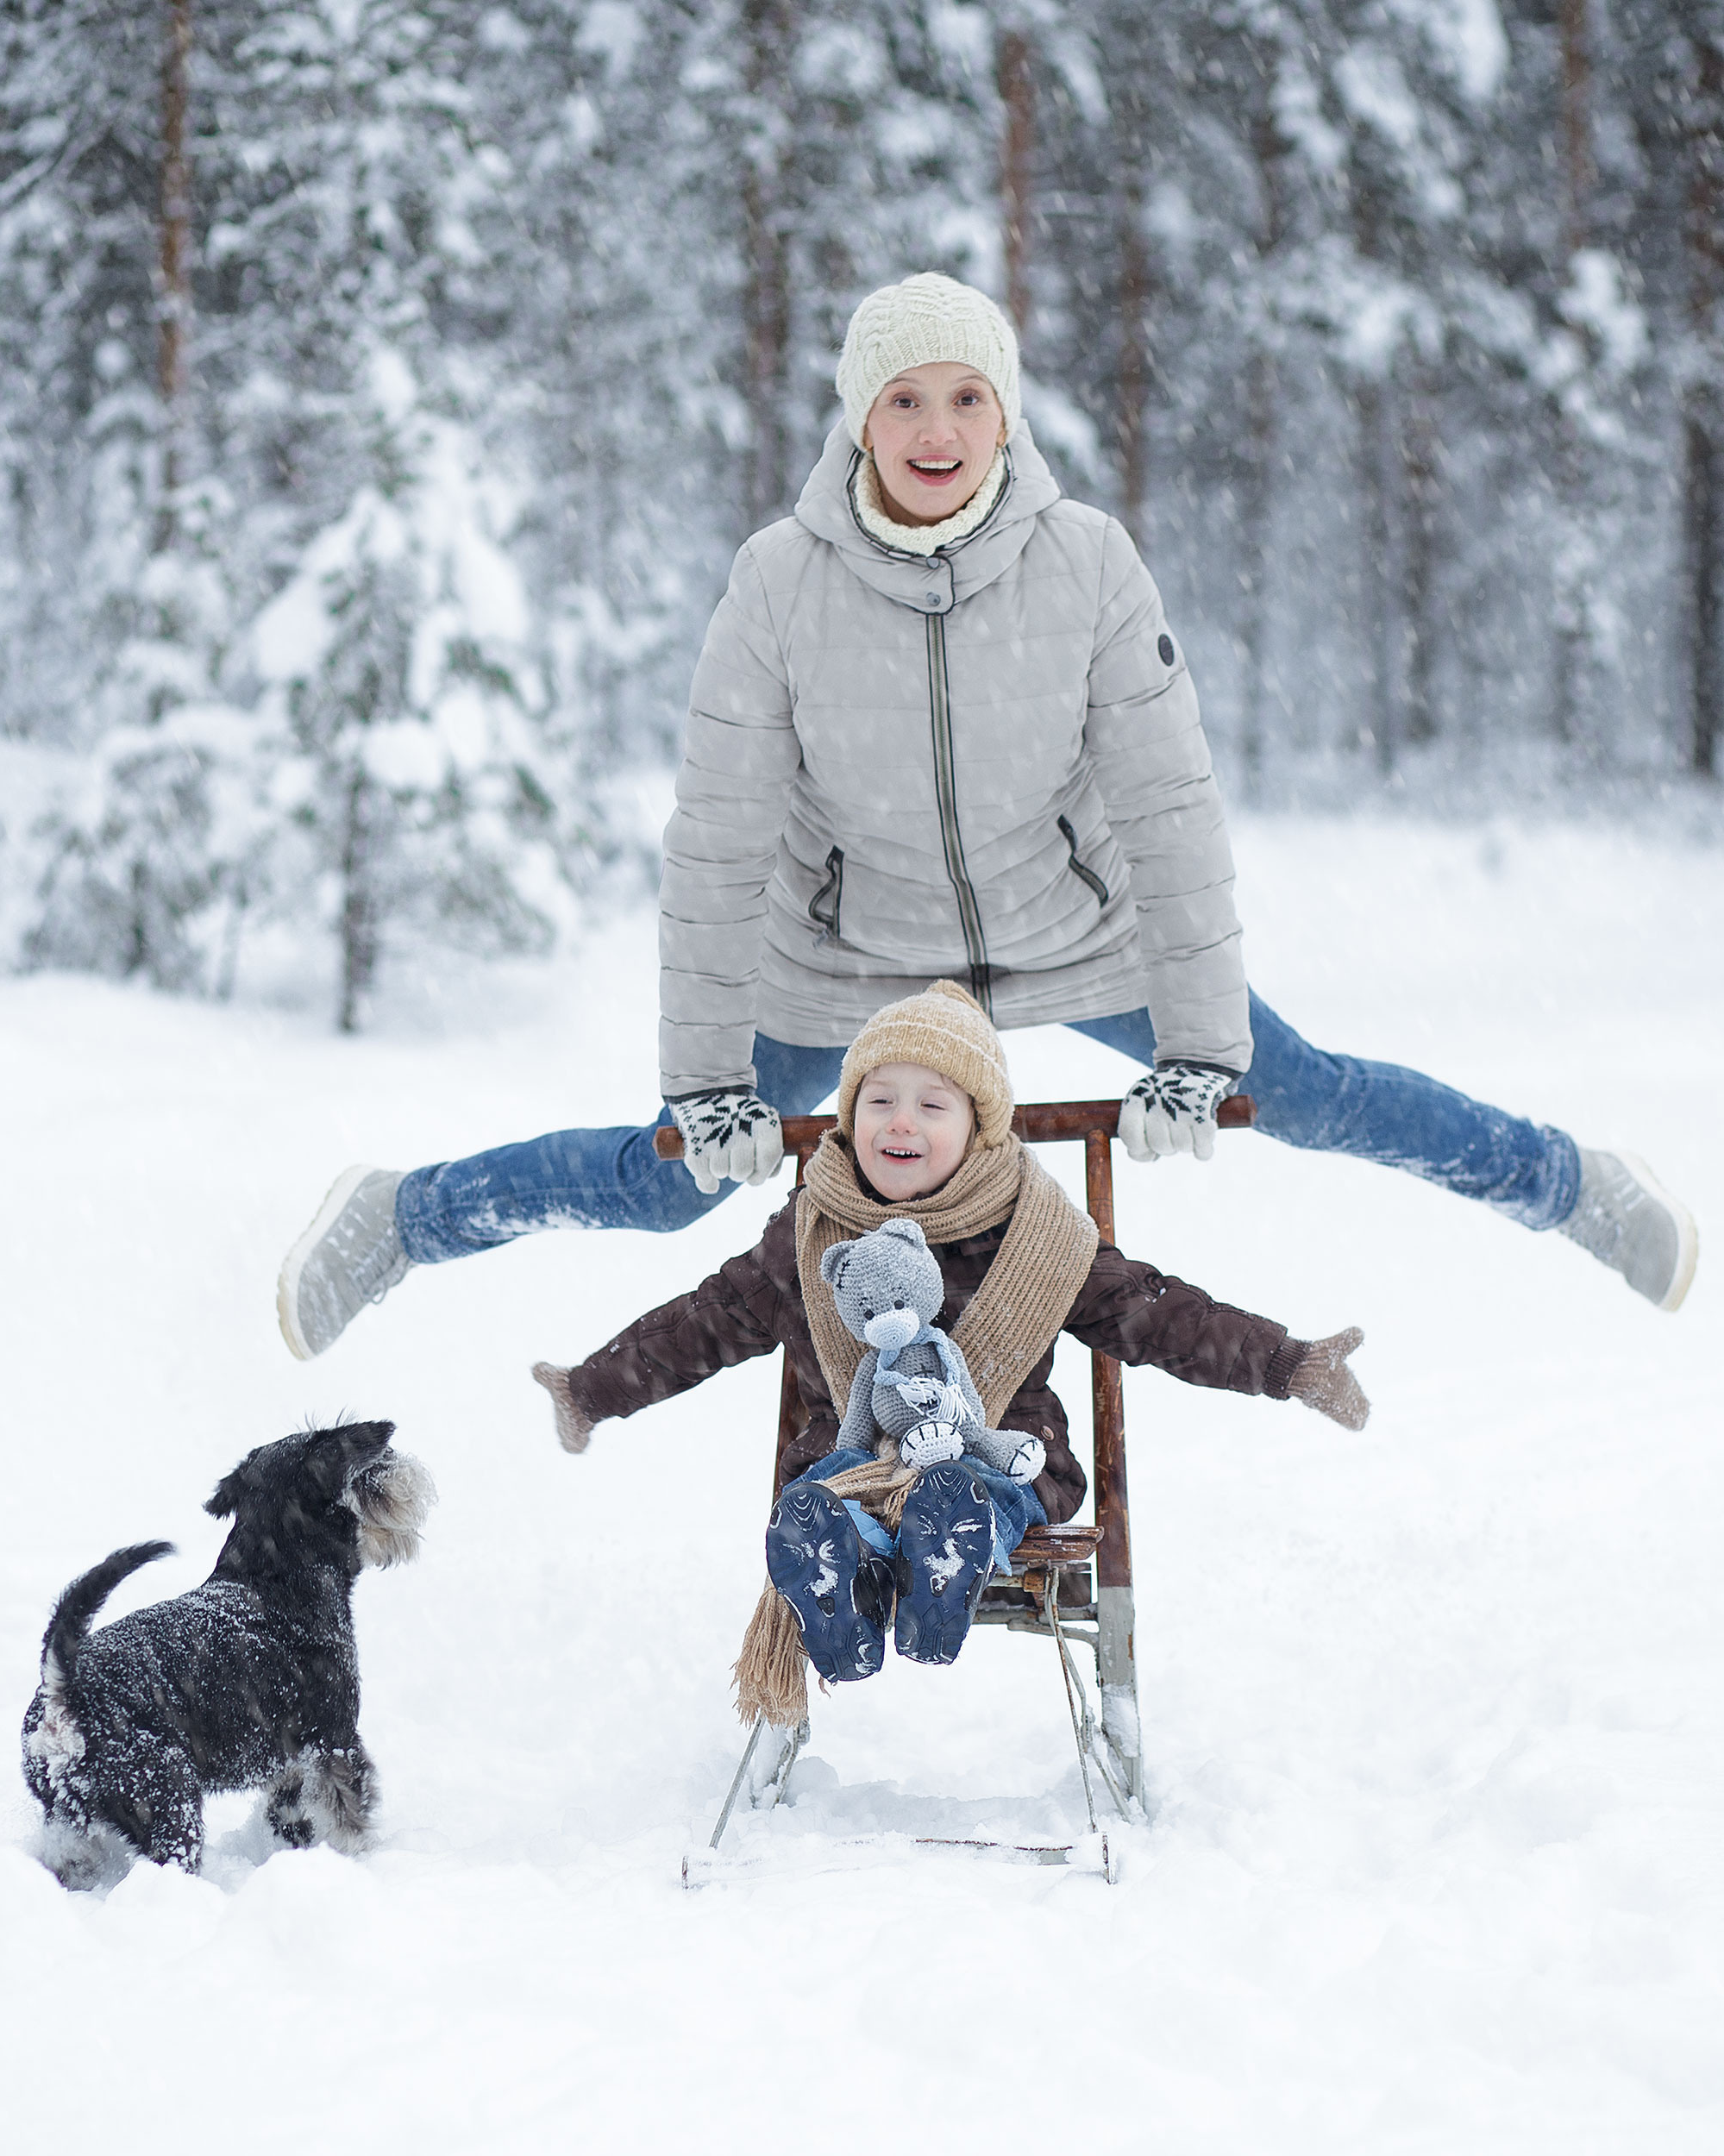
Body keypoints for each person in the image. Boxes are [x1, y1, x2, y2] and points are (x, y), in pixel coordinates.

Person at [275, 273, 1697, 1363]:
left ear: (1006, 415)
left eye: (967, 399)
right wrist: (711, 1078)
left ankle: (1568, 1188)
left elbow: (1171, 812)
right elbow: (716, 843)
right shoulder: (780, 584)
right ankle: (402, 1217)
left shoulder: (1085, 566)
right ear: (858, 419)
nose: (936, 430)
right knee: (671, 1183)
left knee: (1299, 1087)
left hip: (1076, 935)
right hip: (842, 960)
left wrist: (1201, 1047)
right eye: (904, 401)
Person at [528, 982, 1370, 1683]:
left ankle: (944, 1550)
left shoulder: (1035, 1233)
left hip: (1000, 1456)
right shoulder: (813, 1230)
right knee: (816, 1506)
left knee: (963, 1494)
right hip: (847, 1464)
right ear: (849, 1114)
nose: (901, 1122)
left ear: (978, 1128)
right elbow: (706, 1321)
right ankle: (838, 1591)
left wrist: (1287, 1363)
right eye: (877, 1100)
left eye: (932, 1104)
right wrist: (592, 1389)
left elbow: (1159, 1315)